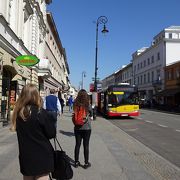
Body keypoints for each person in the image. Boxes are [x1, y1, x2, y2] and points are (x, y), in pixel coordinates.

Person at [11, 84, 56, 180]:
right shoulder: (41, 112)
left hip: (26, 157)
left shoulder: (18, 113)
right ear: (36, 95)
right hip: (42, 156)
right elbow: (52, 133)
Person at [73, 89, 93, 169]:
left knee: (77, 145)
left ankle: (76, 162)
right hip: (87, 128)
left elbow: (73, 114)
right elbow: (91, 113)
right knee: (86, 145)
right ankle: (86, 163)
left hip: (77, 127)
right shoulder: (87, 104)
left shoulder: (75, 104)